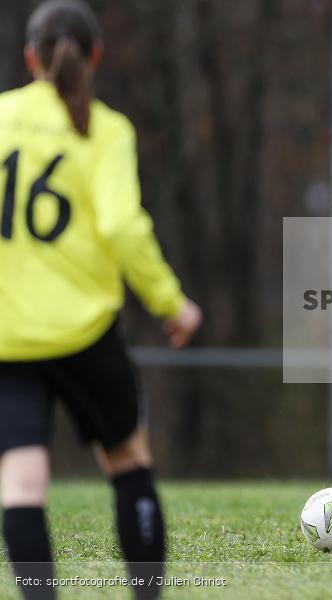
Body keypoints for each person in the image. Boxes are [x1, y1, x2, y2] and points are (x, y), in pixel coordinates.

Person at [0, 1, 202, 598]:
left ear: (29, 57)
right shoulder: (105, 128)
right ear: (95, 56)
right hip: (85, 332)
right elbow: (120, 227)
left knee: (20, 481)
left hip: (7, 336)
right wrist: (170, 302)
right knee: (128, 464)